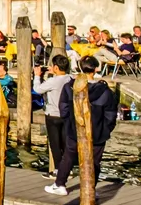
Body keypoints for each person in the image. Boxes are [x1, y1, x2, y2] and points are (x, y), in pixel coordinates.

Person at [34, 55, 75, 194]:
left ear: (56, 67)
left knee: (55, 145)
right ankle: (68, 169)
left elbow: (38, 89)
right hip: (66, 115)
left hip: (53, 115)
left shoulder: (53, 81)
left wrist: (37, 76)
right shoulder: (70, 78)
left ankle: (58, 170)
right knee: (65, 143)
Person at [78, 56, 119, 181]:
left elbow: (65, 109)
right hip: (98, 133)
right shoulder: (105, 91)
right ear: (95, 69)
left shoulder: (73, 88)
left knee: (76, 160)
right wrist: (106, 129)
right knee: (95, 162)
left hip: (77, 131)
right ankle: (91, 186)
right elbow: (111, 114)